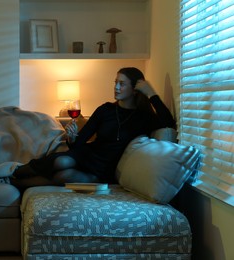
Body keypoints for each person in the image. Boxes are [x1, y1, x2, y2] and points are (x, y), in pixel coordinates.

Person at [11, 67, 176, 190]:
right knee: (62, 160)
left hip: (105, 169)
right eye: (115, 83)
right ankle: (15, 172)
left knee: (65, 176)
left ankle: (16, 183)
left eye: (122, 84)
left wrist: (152, 94)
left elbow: (169, 123)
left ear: (135, 89)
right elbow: (79, 143)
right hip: (88, 154)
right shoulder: (105, 110)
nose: (116, 88)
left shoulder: (143, 117)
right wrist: (73, 137)